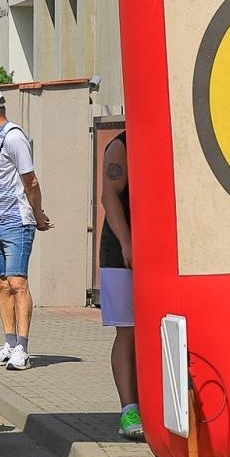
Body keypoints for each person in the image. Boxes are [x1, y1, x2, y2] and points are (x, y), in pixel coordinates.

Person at [0, 85, 52, 371]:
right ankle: (9, 342)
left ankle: (23, 349)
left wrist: (37, 215)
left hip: (17, 219)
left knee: (17, 283)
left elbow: (31, 181)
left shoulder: (14, 138)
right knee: (1, 284)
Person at [100, 129, 140, 439]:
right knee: (127, 330)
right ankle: (129, 410)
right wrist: (126, 242)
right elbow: (109, 194)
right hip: (120, 253)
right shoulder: (121, 145)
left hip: (158, 249)